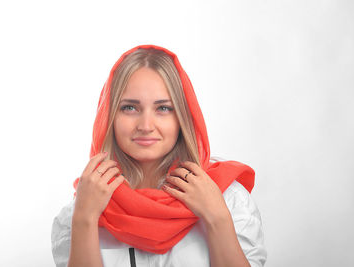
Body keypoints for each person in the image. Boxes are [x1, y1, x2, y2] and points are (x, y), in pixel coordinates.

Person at [51, 44, 267, 267]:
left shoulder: (228, 199)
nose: (146, 126)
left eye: (163, 108)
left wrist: (217, 218)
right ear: (109, 116)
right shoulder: (83, 208)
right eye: (129, 108)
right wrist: (85, 220)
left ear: (183, 117)